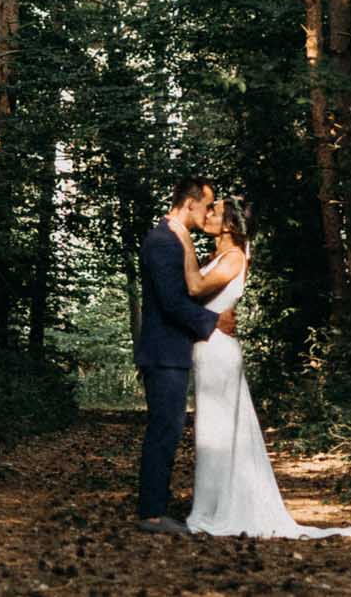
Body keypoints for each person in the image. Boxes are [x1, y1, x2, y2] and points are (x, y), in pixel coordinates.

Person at [179, 196, 351, 538]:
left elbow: (195, 288)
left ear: (230, 225)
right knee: (211, 429)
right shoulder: (218, 256)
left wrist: (182, 239)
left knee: (218, 430)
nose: (206, 214)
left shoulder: (234, 257)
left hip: (219, 352)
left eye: (214, 211)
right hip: (209, 347)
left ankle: (219, 509)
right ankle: (212, 504)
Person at [133, 176, 226, 535]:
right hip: (163, 353)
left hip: (171, 351)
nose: (210, 212)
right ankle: (152, 513)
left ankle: (156, 506)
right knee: (164, 429)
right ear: (190, 203)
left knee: (169, 428)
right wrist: (213, 322)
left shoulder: (174, 240)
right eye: (207, 205)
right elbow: (171, 302)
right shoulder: (162, 241)